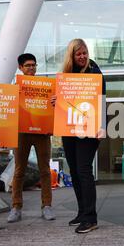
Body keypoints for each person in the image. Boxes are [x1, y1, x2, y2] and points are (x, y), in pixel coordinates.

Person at [50, 39, 106, 233]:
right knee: (74, 171)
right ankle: (82, 212)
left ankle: (91, 218)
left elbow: (102, 99)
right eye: (78, 54)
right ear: (71, 56)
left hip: (89, 128)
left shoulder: (94, 70)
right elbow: (65, 102)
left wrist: (102, 126)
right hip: (69, 128)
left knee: (83, 169)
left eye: (84, 53)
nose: (82, 57)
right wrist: (57, 100)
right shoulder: (66, 75)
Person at [7, 53, 55, 223]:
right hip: (22, 133)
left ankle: (47, 206)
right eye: (28, 65)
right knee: (19, 170)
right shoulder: (15, 87)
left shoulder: (45, 86)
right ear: (20, 67)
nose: (31, 68)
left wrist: (53, 104)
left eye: (34, 65)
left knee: (45, 170)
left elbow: (50, 108)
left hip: (42, 133)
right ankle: (16, 207)